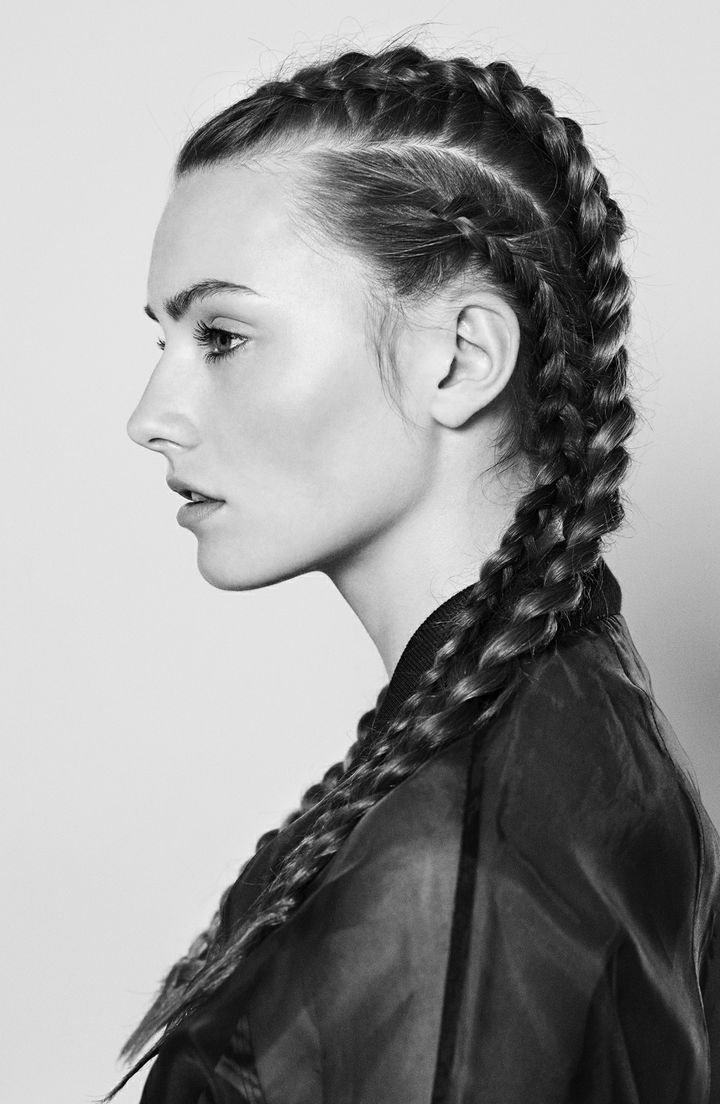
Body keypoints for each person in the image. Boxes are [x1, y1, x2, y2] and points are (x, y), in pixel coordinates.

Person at [112, 38, 720, 1103]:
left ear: (460, 358)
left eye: (222, 336)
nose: (150, 417)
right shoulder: (572, 702)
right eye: (163, 341)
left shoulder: (446, 869)